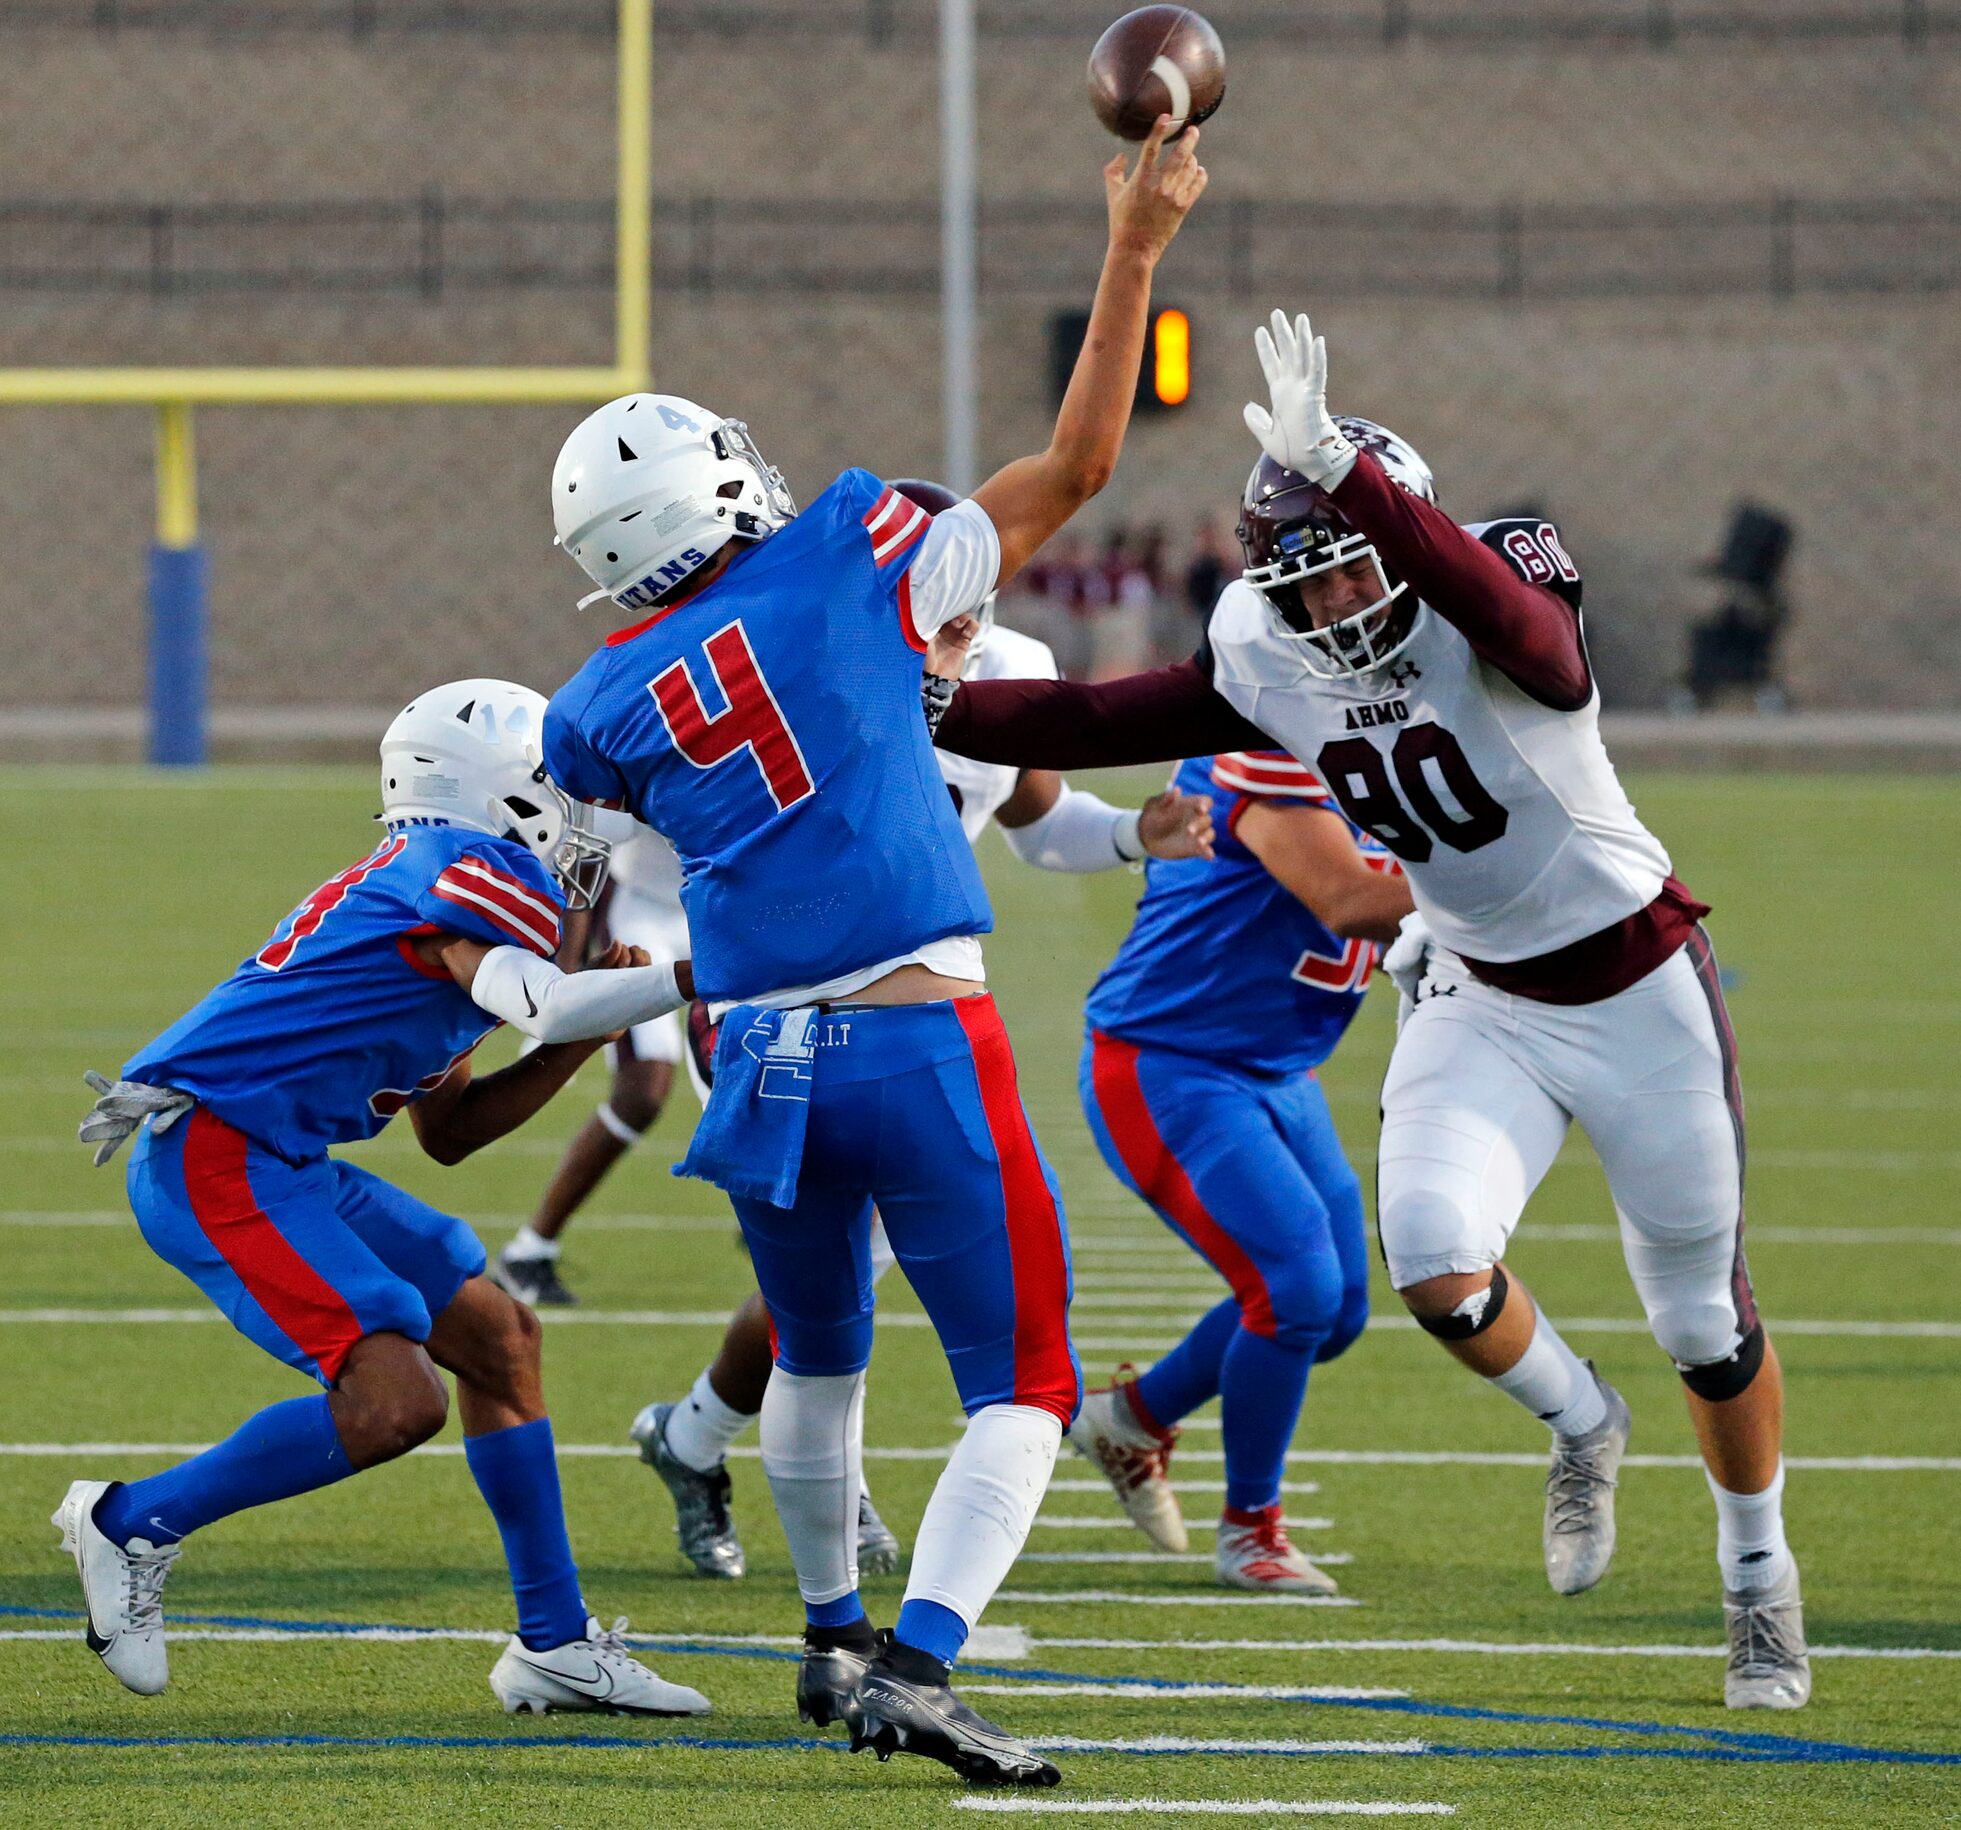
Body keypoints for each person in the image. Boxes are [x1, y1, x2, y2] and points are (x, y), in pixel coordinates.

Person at [928, 309, 1809, 1712]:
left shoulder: (1499, 593)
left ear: (1404, 542)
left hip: (1634, 975)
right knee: (1431, 1261)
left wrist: (1346, 471)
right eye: (1309, 583)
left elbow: (1546, 650)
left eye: (1356, 571)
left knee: (1702, 1312)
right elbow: (1094, 721)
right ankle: (1583, 1421)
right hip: (1473, 985)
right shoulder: (1266, 656)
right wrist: (931, 702)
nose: (1334, 607)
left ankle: (1758, 1583)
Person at [539, 119, 1207, 1785]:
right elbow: (1078, 467)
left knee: (817, 1354)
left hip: (756, 1055)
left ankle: (832, 1631)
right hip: (914, 1033)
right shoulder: (855, 545)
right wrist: (1134, 243)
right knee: (1028, 1383)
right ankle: (916, 1662)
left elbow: (585, 864)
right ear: (718, 486)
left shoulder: (601, 701)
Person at [61, 680, 710, 1717]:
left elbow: (450, 1133)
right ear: (509, 791)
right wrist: (702, 973)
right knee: (395, 1402)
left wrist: (588, 1034)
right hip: (219, 1155)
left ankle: (552, 1644)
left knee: (500, 1342)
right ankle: (130, 1521)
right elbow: (540, 1000)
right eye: (559, 784)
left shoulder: (449, 891)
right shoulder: (471, 871)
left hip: (280, 1157)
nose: (584, 806)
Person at [633, 520, 1214, 1586]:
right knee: (834, 1261)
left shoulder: (1003, 673)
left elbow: (1039, 822)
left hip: (908, 1009)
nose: (945, 618)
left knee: (855, 1256)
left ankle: (698, 1438)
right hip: (773, 996)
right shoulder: (802, 668)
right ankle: (784, 1473)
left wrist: (1138, 832)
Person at [1070, 746, 1410, 1591]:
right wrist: (1542, 897)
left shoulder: (1395, 737)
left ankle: (1129, 1421)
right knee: (1293, 1289)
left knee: (1331, 1315)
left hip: (1276, 1068)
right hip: (1166, 1062)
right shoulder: (1269, 746)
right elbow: (1354, 899)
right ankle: (1250, 1530)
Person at [493, 826, 688, 1307]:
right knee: (644, 1089)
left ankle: (784, 1205)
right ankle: (529, 1250)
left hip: (732, 914)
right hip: (641, 909)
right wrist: (563, 978)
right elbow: (586, 845)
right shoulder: (645, 748)